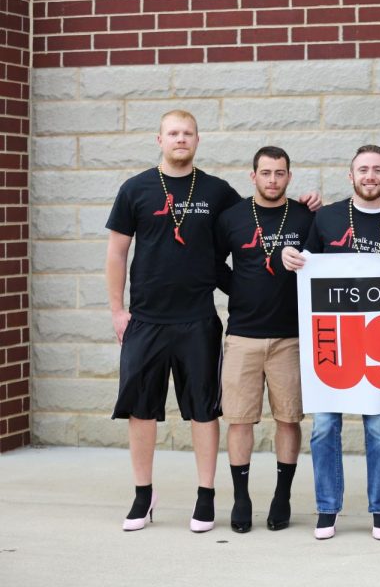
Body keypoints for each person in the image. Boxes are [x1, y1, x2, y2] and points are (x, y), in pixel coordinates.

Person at [105, 109, 242, 533]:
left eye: (187, 133)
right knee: (141, 410)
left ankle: (206, 497)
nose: (180, 139)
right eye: (172, 133)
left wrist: (303, 207)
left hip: (198, 318)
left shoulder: (218, 192)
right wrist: (117, 310)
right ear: (159, 139)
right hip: (146, 318)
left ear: (198, 140)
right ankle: (143, 496)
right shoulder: (135, 189)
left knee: (204, 410)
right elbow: (116, 253)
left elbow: (259, 220)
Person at [282, 145, 380, 541]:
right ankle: (327, 508)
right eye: (363, 169)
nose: (370, 176)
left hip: (378, 345)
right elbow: (308, 262)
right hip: (334, 343)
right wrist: (292, 257)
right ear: (350, 175)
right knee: (324, 428)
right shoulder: (327, 217)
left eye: (378, 170)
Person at [215, 146, 315, 533]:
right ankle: (241, 498)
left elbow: (330, 253)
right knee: (240, 421)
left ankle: (282, 495)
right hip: (242, 336)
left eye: (280, 173)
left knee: (289, 419)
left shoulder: (306, 216)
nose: (273, 179)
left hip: (290, 336)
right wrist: (238, 288)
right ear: (253, 175)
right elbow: (213, 262)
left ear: (290, 176)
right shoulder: (232, 218)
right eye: (266, 172)